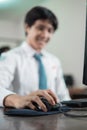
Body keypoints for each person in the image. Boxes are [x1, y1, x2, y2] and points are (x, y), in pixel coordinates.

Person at [0, 6, 71, 112]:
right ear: (27, 27)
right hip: (21, 121)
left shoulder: (54, 61)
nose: (45, 35)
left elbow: (63, 95)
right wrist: (17, 99)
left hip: (52, 120)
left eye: (50, 30)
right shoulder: (10, 57)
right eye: (40, 28)